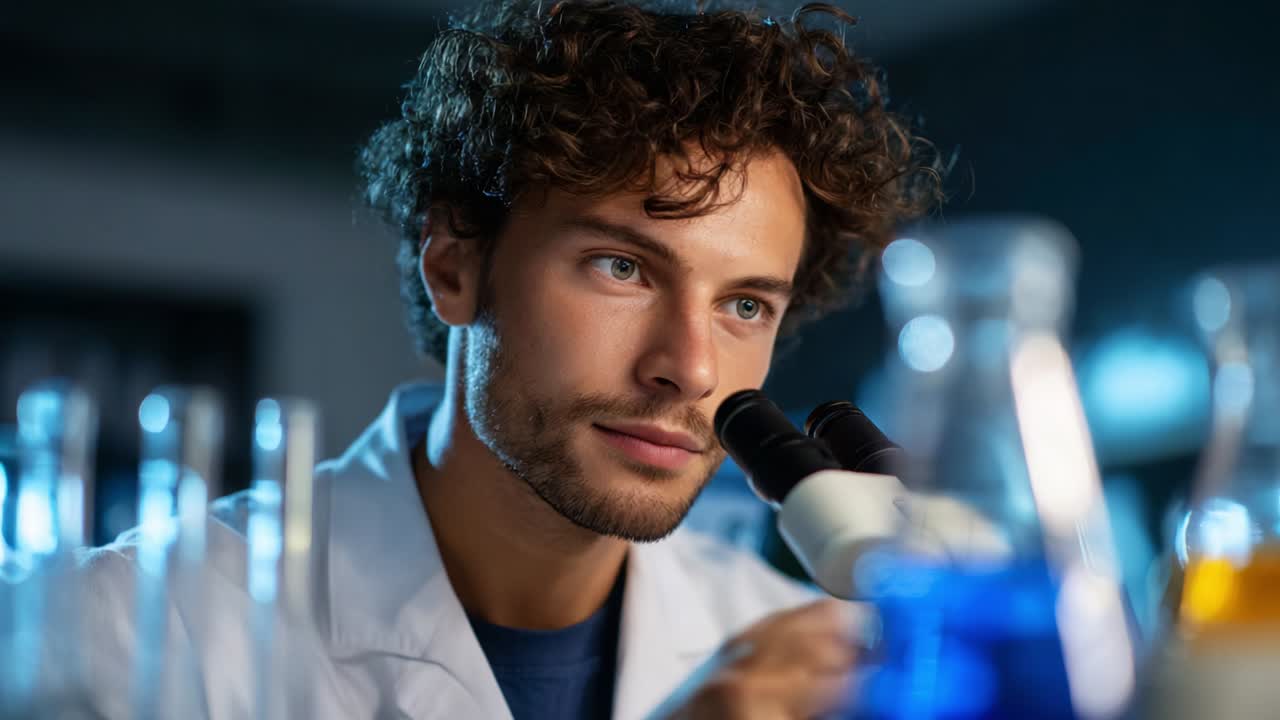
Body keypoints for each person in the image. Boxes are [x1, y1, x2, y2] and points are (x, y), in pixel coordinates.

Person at [75, 1, 938, 718]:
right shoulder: (128, 629)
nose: (692, 368)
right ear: (453, 265)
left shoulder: (798, 652)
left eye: (744, 305)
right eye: (622, 267)